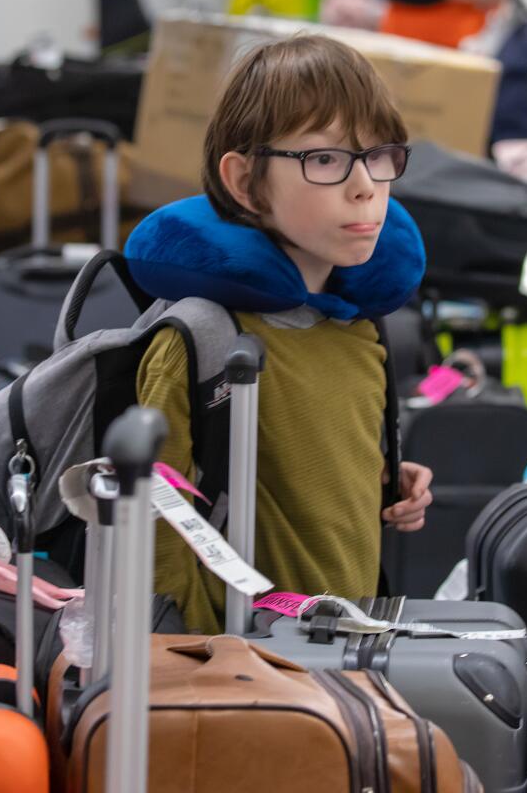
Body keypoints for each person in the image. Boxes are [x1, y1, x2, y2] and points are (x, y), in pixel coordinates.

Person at [132, 34, 434, 635]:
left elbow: (301, 472)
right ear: (246, 183)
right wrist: (196, 673)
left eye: (378, 155)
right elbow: (154, 545)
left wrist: (379, 475)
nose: (365, 187)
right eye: (324, 160)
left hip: (345, 655)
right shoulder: (199, 342)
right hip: (240, 683)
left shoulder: (357, 329)